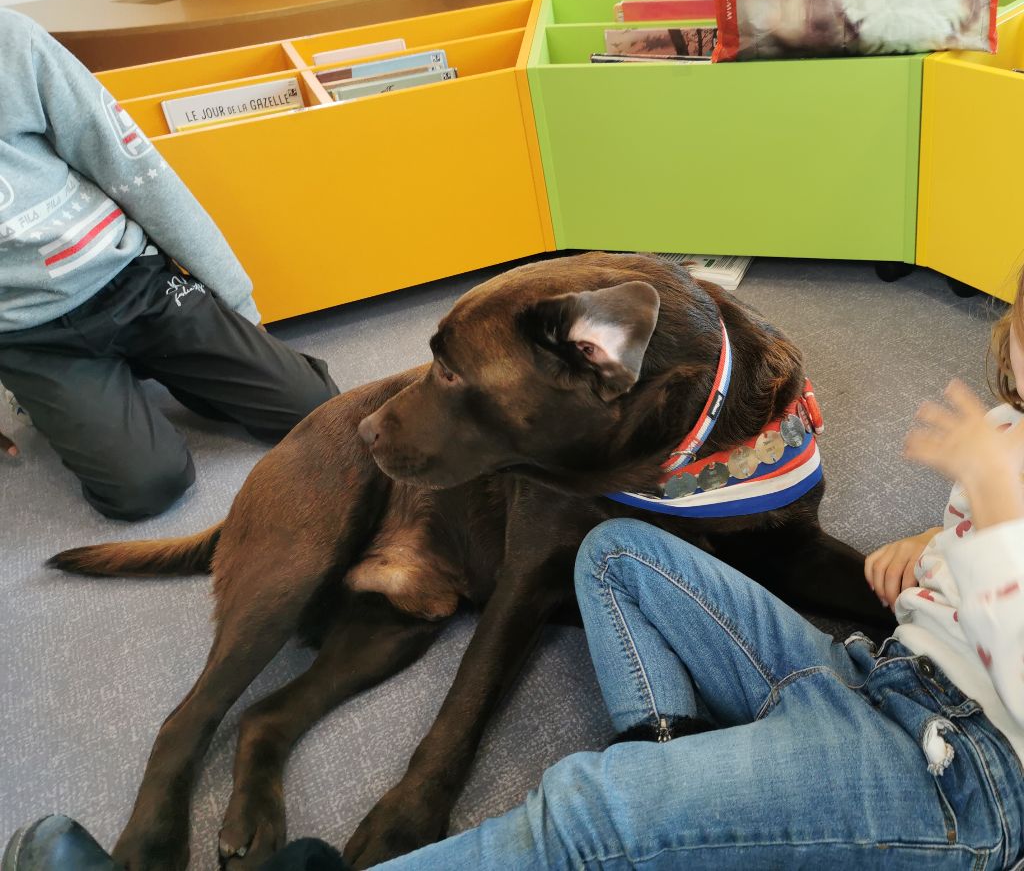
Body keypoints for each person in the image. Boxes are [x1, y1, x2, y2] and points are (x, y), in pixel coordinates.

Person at [7, 278, 1024, 868]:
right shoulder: (999, 436)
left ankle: (640, 799)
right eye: (1015, 358)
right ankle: (192, 754)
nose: (392, 413)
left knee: (586, 806)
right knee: (610, 548)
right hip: (893, 676)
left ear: (599, 364)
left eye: (448, 378)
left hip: (961, 761)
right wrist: (927, 554)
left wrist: (993, 521)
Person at [0, 8, 338, 520]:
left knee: (314, 407)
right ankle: (71, 396)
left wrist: (236, 302)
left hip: (132, 279)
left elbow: (134, 169)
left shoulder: (11, 37)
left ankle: (174, 368)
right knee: (147, 490)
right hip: (30, 336)